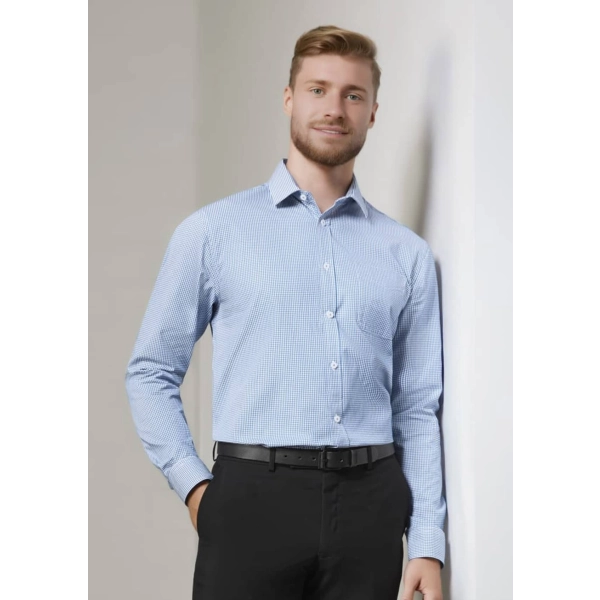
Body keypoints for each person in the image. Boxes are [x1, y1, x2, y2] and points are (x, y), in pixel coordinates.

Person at [126, 24, 446, 600]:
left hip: (371, 508)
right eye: (318, 89)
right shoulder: (212, 232)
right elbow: (150, 372)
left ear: (373, 112)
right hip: (251, 502)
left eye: (353, 94)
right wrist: (196, 489)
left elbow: (417, 407)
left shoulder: (408, 255)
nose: (335, 108)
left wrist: (426, 541)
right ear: (289, 98)